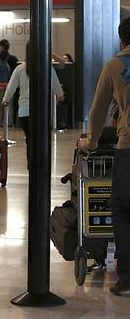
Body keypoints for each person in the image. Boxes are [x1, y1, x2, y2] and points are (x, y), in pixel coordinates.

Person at [78, 17, 130, 294]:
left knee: (122, 209)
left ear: (122, 40)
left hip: (128, 147)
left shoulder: (114, 65)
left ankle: (126, 277)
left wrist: (92, 140)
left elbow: (98, 109)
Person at [2, 42, 64, 169]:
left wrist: (5, 100)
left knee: (30, 140)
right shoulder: (47, 67)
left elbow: (10, 89)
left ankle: (31, 166)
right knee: (41, 141)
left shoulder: (19, 69)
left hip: (24, 113)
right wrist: (61, 94)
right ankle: (41, 166)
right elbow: (57, 87)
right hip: (42, 113)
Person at [0, 39, 19, 126]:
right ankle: (9, 122)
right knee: (9, 103)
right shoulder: (13, 59)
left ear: (1, 47)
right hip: (10, 84)